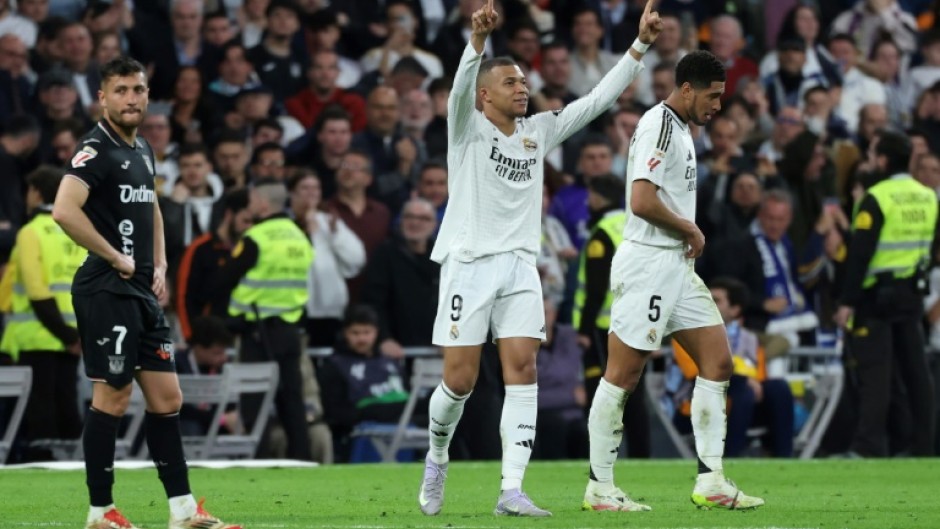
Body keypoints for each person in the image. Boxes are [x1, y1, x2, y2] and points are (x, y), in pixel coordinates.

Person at [417, 0, 662, 517]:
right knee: (460, 380)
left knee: (522, 369)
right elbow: (459, 90)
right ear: (486, 95)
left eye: (524, 82)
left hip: (520, 265)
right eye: (511, 83)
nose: (523, 88)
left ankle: (512, 490)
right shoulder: (466, 129)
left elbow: (597, 100)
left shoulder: (539, 131)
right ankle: (437, 455)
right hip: (468, 262)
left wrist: (639, 46)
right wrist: (477, 42)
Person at [51, 56, 239, 529]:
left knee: (167, 397)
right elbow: (64, 211)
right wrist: (116, 256)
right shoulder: (95, 150)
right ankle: (100, 513)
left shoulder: (143, 150)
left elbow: (150, 204)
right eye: (121, 90)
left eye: (138, 90)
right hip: (105, 288)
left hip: (139, 290)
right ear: (102, 97)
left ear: (148, 95)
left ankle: (182, 511)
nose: (131, 99)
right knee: (111, 398)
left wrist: (161, 262)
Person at [581, 49, 764, 512]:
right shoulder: (660, 125)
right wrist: (689, 227)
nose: (718, 105)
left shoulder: (680, 129)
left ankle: (712, 480)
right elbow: (641, 200)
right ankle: (599, 487)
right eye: (713, 95)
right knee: (623, 374)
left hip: (676, 269)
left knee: (719, 362)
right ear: (686, 89)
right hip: (649, 265)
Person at [834, 130, 938, 457]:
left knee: (876, 372)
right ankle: (924, 446)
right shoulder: (928, 196)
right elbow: (933, 247)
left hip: (875, 296)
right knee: (917, 373)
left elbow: (860, 255)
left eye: (873, 153)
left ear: (882, 159)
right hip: (912, 292)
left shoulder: (877, 197)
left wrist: (847, 302)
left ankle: (868, 447)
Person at [216, 180, 314, 461]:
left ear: (261, 203)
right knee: (292, 400)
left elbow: (223, 280)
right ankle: (302, 460)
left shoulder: (256, 237)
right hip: (291, 329)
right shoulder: (300, 237)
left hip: (257, 330)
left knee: (254, 401)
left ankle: (256, 459)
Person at [0, 165, 85, 461]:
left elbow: (37, 293)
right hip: (74, 335)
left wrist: (64, 335)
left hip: (37, 335)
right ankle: (77, 466)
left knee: (40, 410)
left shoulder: (31, 232)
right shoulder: (77, 231)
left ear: (36, 193)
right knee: (67, 403)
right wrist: (76, 336)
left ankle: (43, 464)